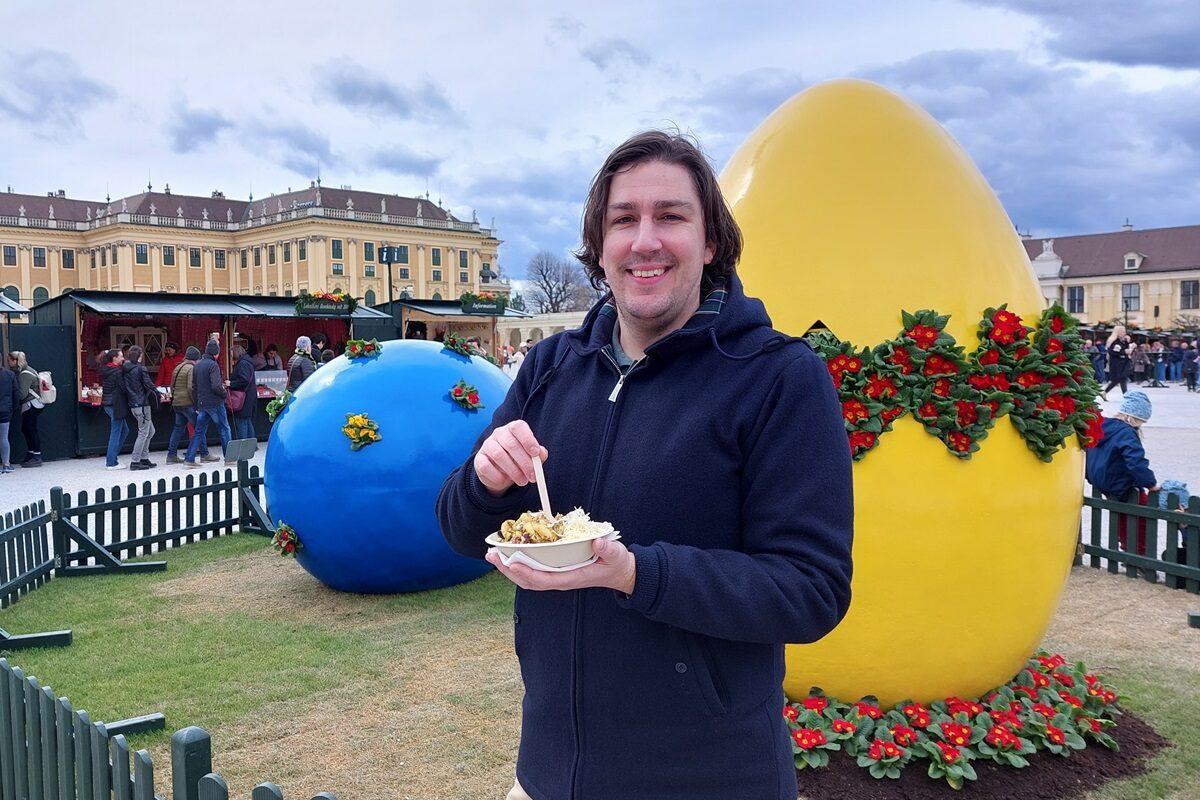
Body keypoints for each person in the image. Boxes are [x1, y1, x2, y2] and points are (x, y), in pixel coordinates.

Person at [437, 130, 853, 800]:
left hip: (708, 780)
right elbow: (460, 531)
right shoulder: (550, 368)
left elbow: (812, 591)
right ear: (599, 250)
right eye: (623, 220)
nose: (645, 240)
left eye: (672, 216)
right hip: (547, 775)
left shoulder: (779, 378)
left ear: (711, 241)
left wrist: (636, 573)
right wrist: (483, 479)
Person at [1085, 391, 1158, 553]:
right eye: (1141, 422)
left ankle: (1127, 545)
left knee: (1122, 515)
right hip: (1120, 482)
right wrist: (1151, 483)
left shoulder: (1103, 425)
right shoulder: (1127, 432)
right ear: (1134, 418)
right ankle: (1139, 552)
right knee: (1142, 514)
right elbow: (1135, 461)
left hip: (1102, 481)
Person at [165, 346, 218, 465]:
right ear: (196, 359)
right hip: (188, 403)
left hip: (177, 403)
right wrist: (196, 403)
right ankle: (204, 454)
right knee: (200, 428)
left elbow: (172, 386)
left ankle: (171, 455)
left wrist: (175, 398)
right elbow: (191, 387)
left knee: (178, 429)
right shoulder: (191, 368)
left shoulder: (178, 367)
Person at [185, 339, 231, 466]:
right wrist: (224, 394)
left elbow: (194, 387)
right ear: (216, 354)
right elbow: (216, 386)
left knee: (199, 431)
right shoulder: (213, 365)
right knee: (224, 429)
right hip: (215, 403)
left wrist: (196, 404)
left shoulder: (197, 365)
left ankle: (189, 459)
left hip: (202, 404)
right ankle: (229, 458)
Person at [122, 345, 158, 470]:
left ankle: (144, 457)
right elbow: (149, 384)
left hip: (133, 404)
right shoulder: (141, 369)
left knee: (150, 431)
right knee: (143, 432)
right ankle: (135, 461)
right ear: (139, 356)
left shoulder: (124, 368)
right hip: (143, 404)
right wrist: (159, 393)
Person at [8, 351, 44, 468]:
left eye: (9, 360)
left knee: (30, 429)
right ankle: (32, 453)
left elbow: (22, 394)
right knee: (27, 429)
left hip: (31, 405)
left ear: (15, 361)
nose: (8, 363)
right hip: (34, 404)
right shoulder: (29, 370)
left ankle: (36, 455)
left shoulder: (24, 374)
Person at [100, 348, 130, 470]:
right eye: (121, 356)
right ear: (114, 358)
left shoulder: (106, 369)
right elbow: (124, 388)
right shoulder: (117, 372)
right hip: (115, 404)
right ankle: (111, 462)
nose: (123, 358)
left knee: (124, 430)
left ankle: (112, 456)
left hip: (108, 403)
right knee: (116, 432)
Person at [228, 344, 257, 440]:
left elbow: (244, 380)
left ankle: (243, 446)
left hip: (243, 398)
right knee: (247, 422)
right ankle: (252, 444)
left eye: (232, 354)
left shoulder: (242, 364)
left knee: (242, 422)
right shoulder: (247, 362)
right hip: (248, 397)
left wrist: (230, 383)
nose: (231, 357)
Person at [1102, 325, 1131, 400]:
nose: (1124, 333)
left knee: (1120, 379)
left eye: (1125, 331)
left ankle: (1105, 392)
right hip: (1116, 363)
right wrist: (1124, 352)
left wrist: (1128, 343)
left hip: (1124, 363)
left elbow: (1126, 349)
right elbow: (1112, 352)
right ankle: (1126, 396)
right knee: (1119, 379)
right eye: (1122, 332)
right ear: (1117, 332)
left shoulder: (1123, 341)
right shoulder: (1114, 341)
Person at [0, 361, 19, 474]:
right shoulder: (10, 375)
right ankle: (6, 464)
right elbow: (15, 393)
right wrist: (14, 408)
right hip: (5, 410)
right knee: (3, 437)